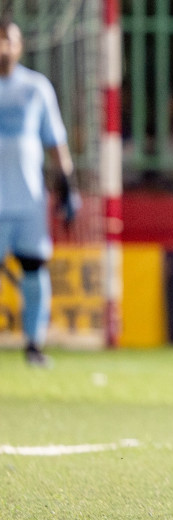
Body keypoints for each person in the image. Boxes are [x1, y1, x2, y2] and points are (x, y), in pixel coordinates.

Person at [0, 18, 80, 368]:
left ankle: (34, 344)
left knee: (34, 270)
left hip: (28, 201)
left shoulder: (36, 88)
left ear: (20, 46)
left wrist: (67, 188)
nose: (4, 47)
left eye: (9, 40)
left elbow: (56, 143)